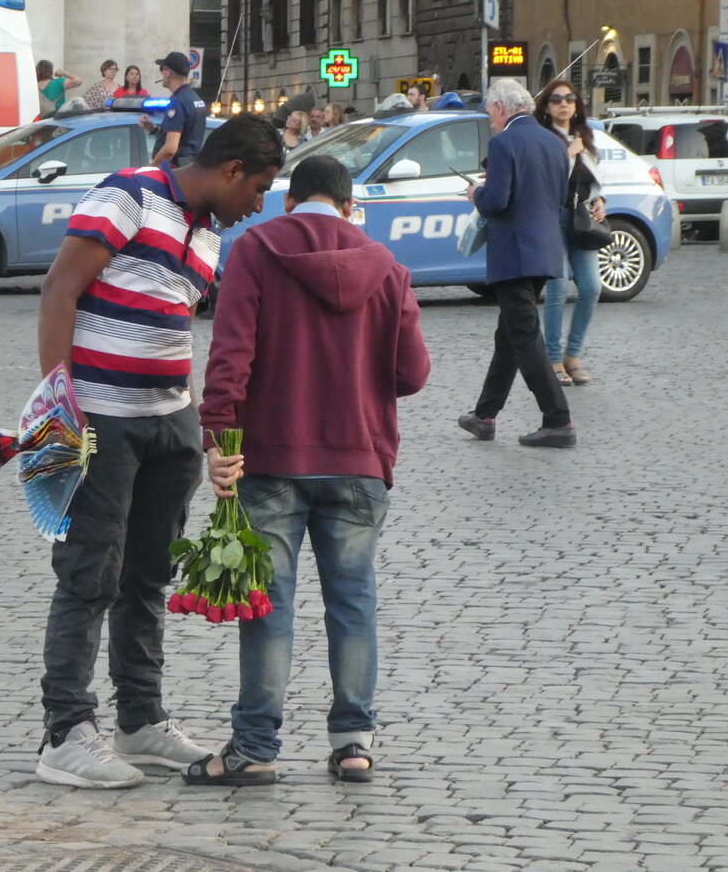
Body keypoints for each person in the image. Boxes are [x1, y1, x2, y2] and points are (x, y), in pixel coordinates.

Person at [34, 112, 284, 789]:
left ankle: (139, 720)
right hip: (102, 421)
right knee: (90, 572)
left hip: (170, 425)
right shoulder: (131, 195)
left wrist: (201, 431)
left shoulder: (207, 233)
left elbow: (172, 321)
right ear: (231, 171)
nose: (257, 206)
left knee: (147, 576)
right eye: (257, 189)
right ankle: (66, 731)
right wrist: (58, 406)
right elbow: (59, 289)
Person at [188, 155, 431, 787]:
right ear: (350, 206)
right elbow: (413, 374)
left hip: (270, 460)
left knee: (268, 607)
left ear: (290, 203)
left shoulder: (255, 248)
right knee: (353, 602)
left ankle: (255, 748)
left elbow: (230, 355)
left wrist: (218, 436)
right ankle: (353, 742)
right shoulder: (386, 266)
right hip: (359, 461)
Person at [458, 78, 575, 448]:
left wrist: (476, 192)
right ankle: (484, 415)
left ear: (499, 108)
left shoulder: (504, 142)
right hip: (545, 250)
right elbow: (561, 197)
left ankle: (558, 420)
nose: (489, 119)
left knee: (524, 338)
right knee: (508, 337)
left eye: (489, 112)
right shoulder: (555, 143)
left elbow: (496, 202)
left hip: (514, 253)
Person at [533, 79, 605, 386]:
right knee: (558, 289)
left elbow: (593, 177)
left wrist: (601, 201)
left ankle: (573, 355)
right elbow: (546, 176)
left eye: (570, 99)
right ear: (546, 108)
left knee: (591, 287)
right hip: (552, 218)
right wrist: (570, 152)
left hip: (581, 217)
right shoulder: (543, 138)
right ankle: (552, 359)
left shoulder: (585, 136)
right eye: (557, 99)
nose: (564, 104)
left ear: (577, 106)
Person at [138, 51, 206, 167]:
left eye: (162, 69)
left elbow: (170, 148)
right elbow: (184, 137)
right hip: (189, 168)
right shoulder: (195, 99)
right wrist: (153, 129)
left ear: (169, 72)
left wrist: (151, 169)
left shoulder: (177, 102)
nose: (162, 73)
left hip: (176, 172)